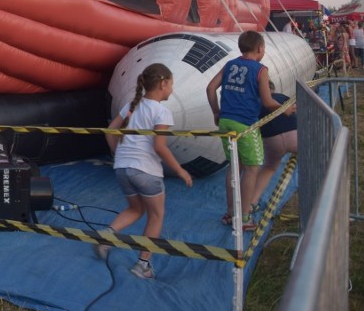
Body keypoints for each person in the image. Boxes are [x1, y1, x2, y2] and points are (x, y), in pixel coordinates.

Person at [97, 63, 192, 279]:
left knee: (135, 209)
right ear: (163, 84)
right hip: (146, 170)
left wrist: (117, 154)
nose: (172, 90)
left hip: (123, 167)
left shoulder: (132, 106)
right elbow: (159, 147)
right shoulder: (162, 112)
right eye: (171, 85)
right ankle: (142, 265)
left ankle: (107, 236)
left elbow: (110, 130)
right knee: (156, 215)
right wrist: (180, 170)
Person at [206, 31, 288, 231]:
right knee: (252, 169)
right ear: (260, 48)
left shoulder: (229, 65)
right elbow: (268, 102)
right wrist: (286, 109)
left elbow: (210, 88)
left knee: (234, 167)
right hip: (245, 125)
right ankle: (243, 218)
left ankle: (230, 212)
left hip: (225, 121)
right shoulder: (261, 70)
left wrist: (216, 112)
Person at [251, 81, 297, 208]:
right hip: (294, 135)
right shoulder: (280, 97)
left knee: (269, 168)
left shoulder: (255, 104)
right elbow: (296, 108)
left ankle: (252, 202)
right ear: (272, 89)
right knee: (312, 160)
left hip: (272, 141)